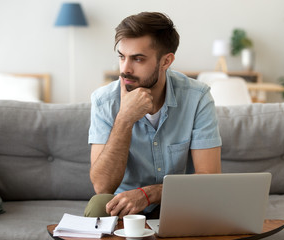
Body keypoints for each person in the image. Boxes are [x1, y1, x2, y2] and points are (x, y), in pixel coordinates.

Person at [84, 12, 222, 219]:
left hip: (179, 201)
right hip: (125, 207)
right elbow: (102, 186)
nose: (125, 69)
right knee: (98, 205)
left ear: (166, 61)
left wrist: (149, 194)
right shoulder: (104, 101)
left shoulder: (197, 98)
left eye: (137, 59)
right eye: (122, 57)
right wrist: (124, 118)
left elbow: (209, 177)